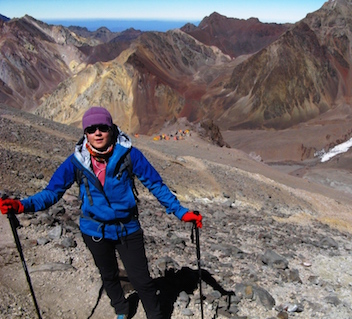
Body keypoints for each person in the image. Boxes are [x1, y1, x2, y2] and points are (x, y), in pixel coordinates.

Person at [0, 106, 202, 319]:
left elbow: (156, 185)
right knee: (108, 275)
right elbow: (53, 192)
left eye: (102, 128)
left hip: (128, 229)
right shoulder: (76, 162)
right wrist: (23, 205)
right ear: (85, 133)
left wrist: (181, 212)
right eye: (91, 128)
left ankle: (156, 315)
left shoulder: (130, 155)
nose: (97, 133)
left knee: (141, 279)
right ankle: (121, 309)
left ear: (112, 129)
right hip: (94, 229)